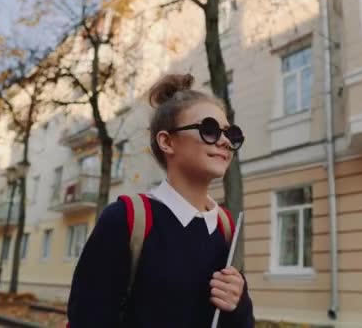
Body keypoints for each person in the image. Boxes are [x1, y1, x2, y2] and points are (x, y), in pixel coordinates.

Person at [67, 74, 255, 327]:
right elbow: (86, 319)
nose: (224, 142)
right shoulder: (125, 218)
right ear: (167, 142)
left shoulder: (224, 226)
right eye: (209, 130)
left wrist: (238, 304)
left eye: (230, 133)